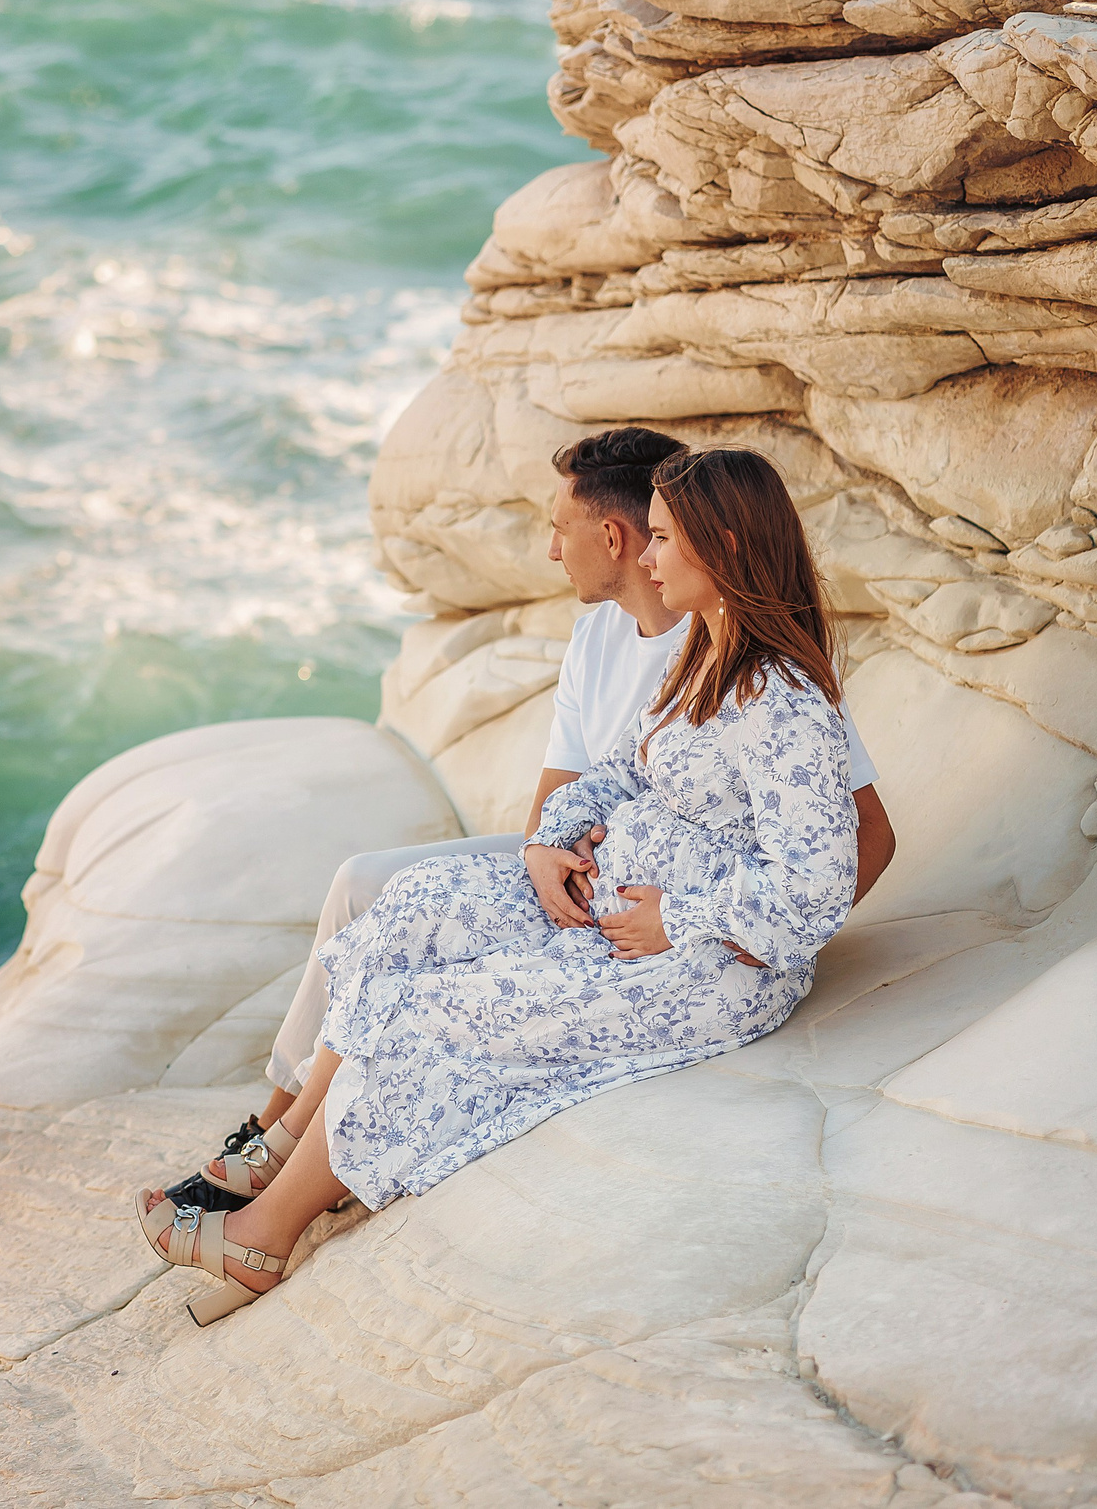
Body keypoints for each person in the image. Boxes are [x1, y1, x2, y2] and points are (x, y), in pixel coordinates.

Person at [138, 447, 861, 1323]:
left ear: (726, 547)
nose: (651, 557)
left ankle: (262, 1230)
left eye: (665, 539)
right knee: (407, 910)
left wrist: (680, 919)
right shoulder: (703, 659)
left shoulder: (784, 701)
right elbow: (621, 775)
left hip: (711, 966)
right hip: (616, 905)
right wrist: (555, 837)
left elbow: (822, 885)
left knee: (431, 1013)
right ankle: (291, 1143)